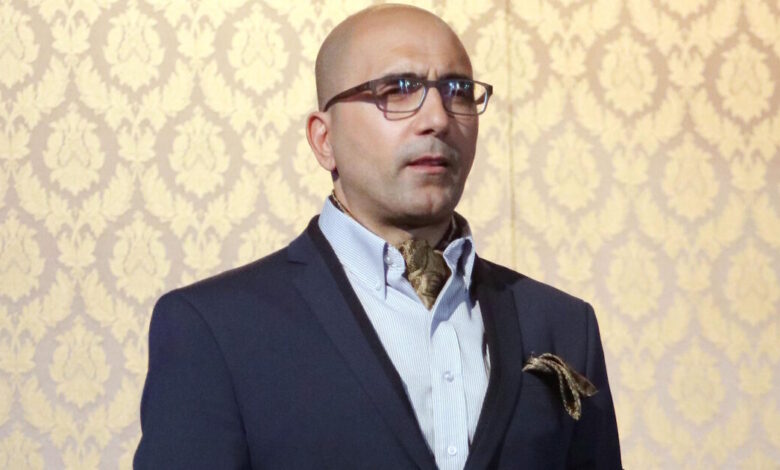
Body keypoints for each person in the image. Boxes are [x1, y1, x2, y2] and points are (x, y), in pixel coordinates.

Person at [134, 4, 622, 469]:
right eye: (398, 89)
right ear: (324, 139)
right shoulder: (216, 328)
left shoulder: (562, 324)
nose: (438, 119)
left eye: (457, 90)